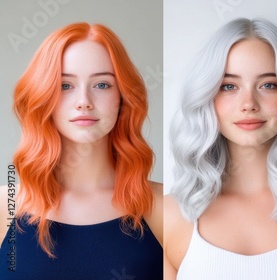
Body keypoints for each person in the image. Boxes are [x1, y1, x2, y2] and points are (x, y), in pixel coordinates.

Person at [164, 18, 277, 279]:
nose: (248, 104)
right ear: (206, 96)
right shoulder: (169, 215)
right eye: (229, 86)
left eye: (268, 85)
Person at [0, 22, 163, 279]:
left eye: (102, 85)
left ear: (123, 97)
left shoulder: (164, 207)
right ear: (42, 97)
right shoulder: (5, 207)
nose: (84, 102)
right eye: (65, 86)